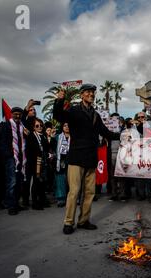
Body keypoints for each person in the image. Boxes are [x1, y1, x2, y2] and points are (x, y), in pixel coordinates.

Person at [53, 83, 118, 235]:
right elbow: (59, 116)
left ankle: (84, 220)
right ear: (81, 95)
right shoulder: (74, 110)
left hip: (90, 158)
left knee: (89, 192)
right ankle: (68, 222)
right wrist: (59, 100)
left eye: (93, 93)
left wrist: (122, 135)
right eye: (88, 92)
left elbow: (106, 132)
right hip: (76, 157)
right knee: (74, 191)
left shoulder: (95, 114)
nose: (91, 94)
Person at [0, 107, 27, 215]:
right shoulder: (6, 125)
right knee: (12, 182)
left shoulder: (22, 126)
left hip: (21, 157)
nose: (18, 116)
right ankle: (11, 206)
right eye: (15, 114)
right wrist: (8, 155)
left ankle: (16, 203)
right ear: (11, 114)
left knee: (19, 182)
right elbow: (2, 142)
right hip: (11, 157)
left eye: (19, 114)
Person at [26, 118, 49, 210]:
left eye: (41, 125)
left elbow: (47, 148)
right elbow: (29, 150)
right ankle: (35, 203)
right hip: (35, 162)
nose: (39, 127)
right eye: (37, 126)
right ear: (33, 127)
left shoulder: (43, 136)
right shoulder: (31, 136)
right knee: (36, 182)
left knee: (42, 182)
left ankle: (42, 201)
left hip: (43, 161)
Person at [54, 123, 70, 207]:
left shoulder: (75, 136)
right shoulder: (57, 137)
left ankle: (75, 198)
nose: (67, 127)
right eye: (65, 126)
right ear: (62, 127)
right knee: (60, 179)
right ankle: (61, 199)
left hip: (72, 161)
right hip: (61, 162)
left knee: (73, 180)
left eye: (68, 125)